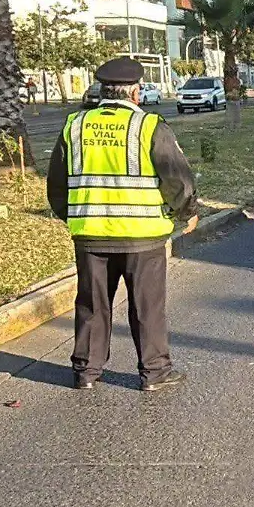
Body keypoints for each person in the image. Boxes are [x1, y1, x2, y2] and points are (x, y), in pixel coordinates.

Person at [47, 57, 199, 392]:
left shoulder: (74, 126)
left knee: (91, 303)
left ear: (102, 90)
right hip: (142, 238)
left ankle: (86, 372)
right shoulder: (149, 126)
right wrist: (187, 213)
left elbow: (57, 185)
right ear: (135, 92)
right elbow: (177, 180)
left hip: (90, 235)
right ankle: (154, 373)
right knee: (147, 306)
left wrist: (74, 217)